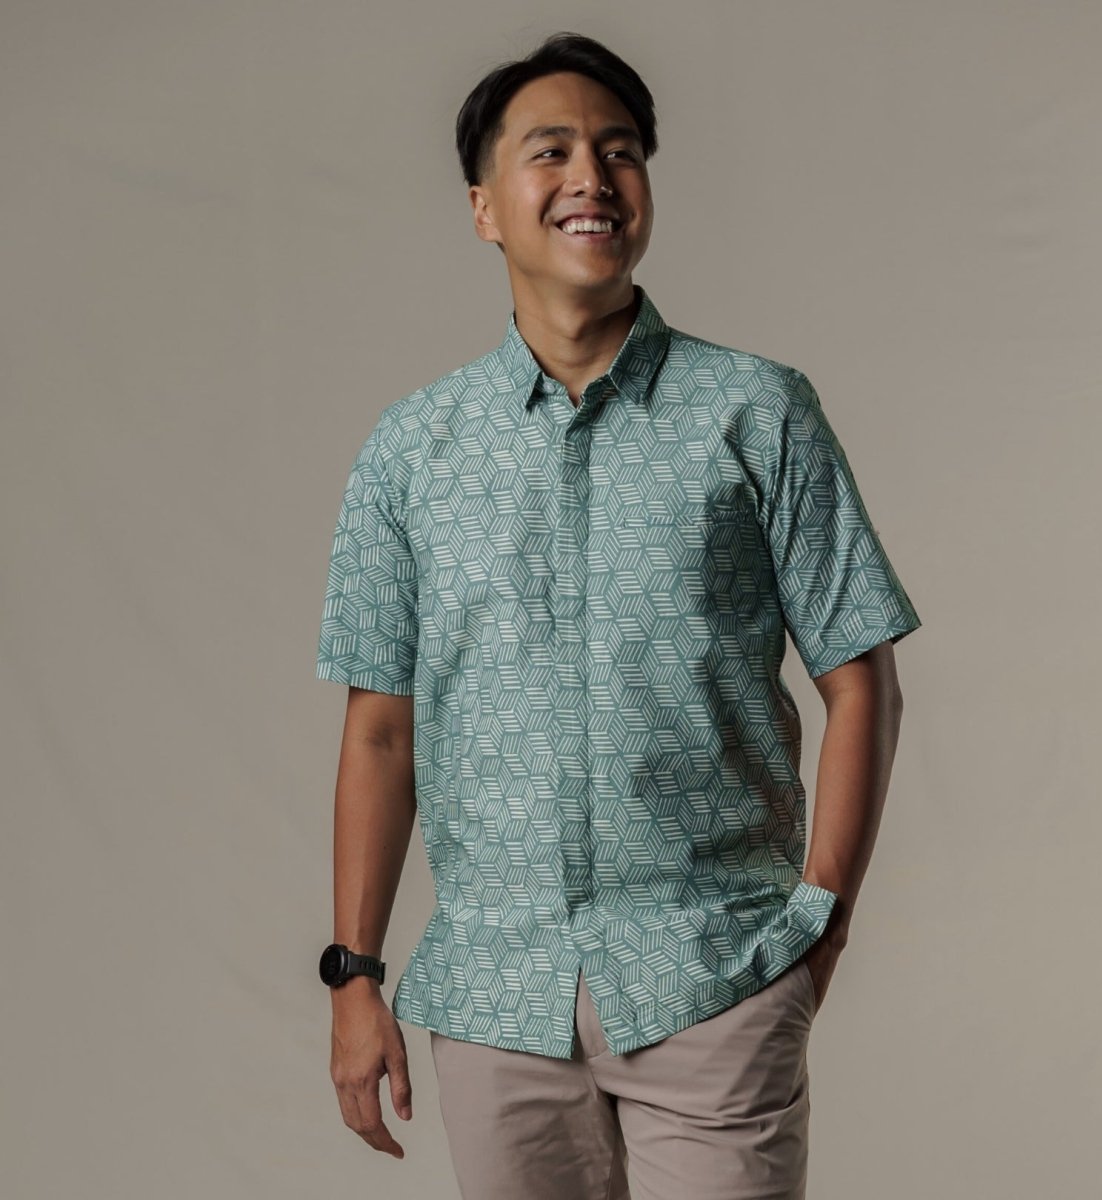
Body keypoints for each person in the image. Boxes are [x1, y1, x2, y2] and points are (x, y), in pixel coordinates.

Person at [314, 30, 921, 1200]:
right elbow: (380, 731)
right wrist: (354, 974)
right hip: (495, 999)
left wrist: (821, 927)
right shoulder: (412, 451)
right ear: (485, 207)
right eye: (551, 152)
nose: (591, 176)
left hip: (716, 973)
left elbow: (863, 679)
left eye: (621, 150)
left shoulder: (756, 413)